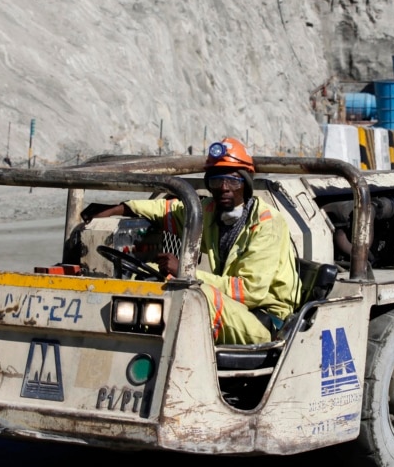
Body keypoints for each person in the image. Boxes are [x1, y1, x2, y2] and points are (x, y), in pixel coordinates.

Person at [86, 137, 300, 345]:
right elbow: (168, 210)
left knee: (198, 294)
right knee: (147, 273)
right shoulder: (210, 211)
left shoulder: (266, 224)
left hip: (264, 319)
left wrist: (186, 271)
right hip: (236, 309)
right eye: (217, 181)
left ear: (246, 184)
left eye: (233, 181)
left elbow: (250, 292)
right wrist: (120, 208)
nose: (224, 187)